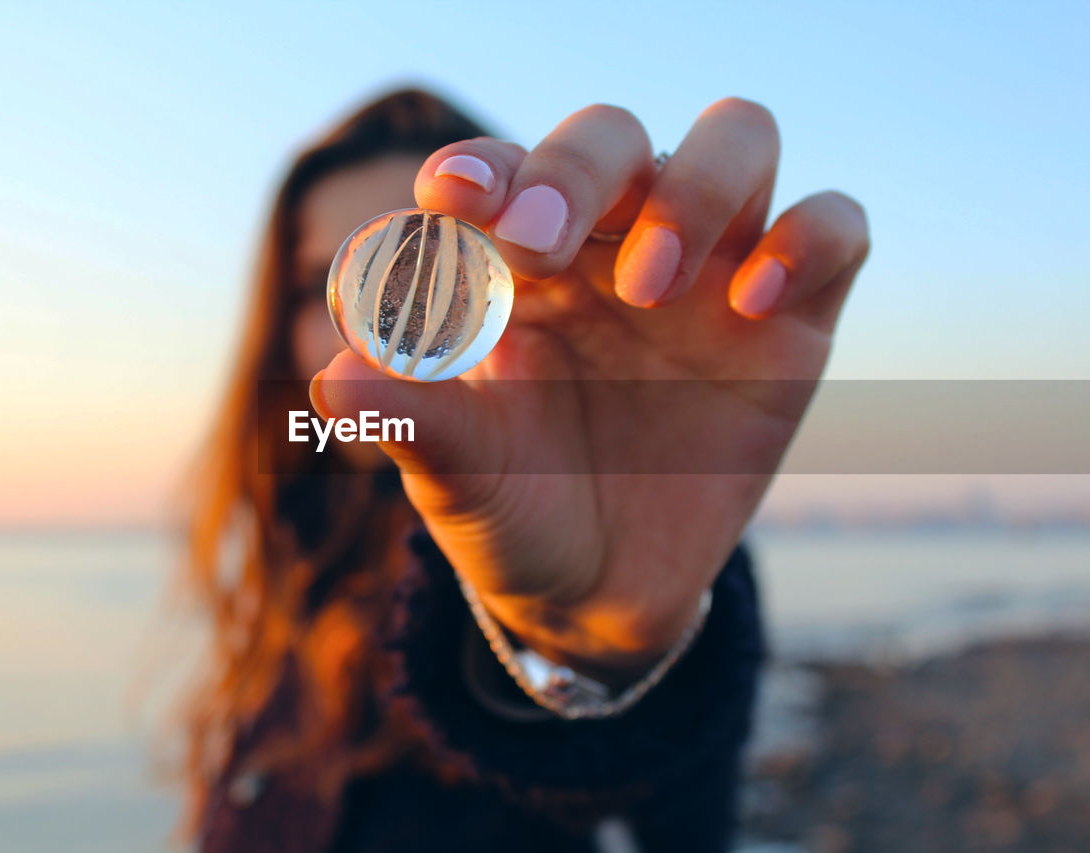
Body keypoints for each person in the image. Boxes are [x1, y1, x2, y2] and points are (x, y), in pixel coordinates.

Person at [174, 86, 870, 852]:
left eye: (433, 261)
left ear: (510, 287)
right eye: (324, 283)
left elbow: (674, 800)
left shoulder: (567, 520)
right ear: (278, 321)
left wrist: (583, 642)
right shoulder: (303, 546)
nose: (387, 325)